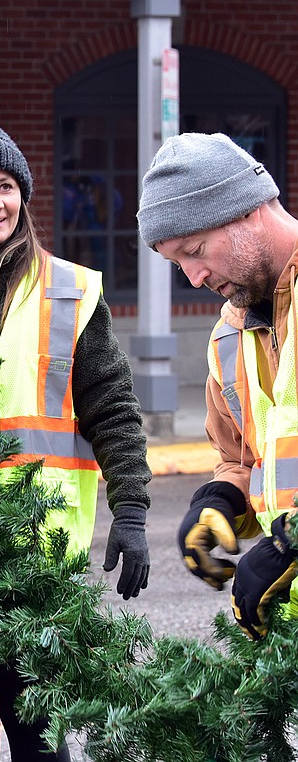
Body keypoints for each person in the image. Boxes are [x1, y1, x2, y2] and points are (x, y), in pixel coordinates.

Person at [0, 106, 152, 760]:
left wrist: (131, 509)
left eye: (5, 186)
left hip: (29, 541)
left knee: (33, 724)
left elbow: (110, 403)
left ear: (23, 196)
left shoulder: (67, 291)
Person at [137, 132, 298, 641]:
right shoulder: (229, 337)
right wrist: (221, 500)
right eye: (176, 262)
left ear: (247, 210)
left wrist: (290, 543)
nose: (193, 277)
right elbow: (247, 460)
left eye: (196, 250)